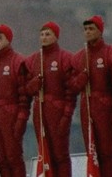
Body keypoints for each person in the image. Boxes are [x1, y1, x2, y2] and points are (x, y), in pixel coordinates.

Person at [22, 21, 78, 177]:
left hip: (57, 110)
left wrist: (66, 115)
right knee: (44, 150)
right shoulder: (33, 60)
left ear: (56, 36)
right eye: (42, 34)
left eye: (48, 34)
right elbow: (26, 89)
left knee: (60, 153)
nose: (44, 37)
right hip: (40, 110)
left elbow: (70, 91)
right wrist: (33, 85)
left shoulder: (65, 58)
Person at [71, 16, 112, 177]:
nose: (88, 32)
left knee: (106, 151)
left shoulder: (111, 53)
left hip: (104, 107)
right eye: (85, 29)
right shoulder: (79, 57)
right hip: (87, 107)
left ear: (100, 31)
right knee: (91, 150)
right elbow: (72, 86)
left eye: (91, 29)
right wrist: (81, 80)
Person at [0, 24, 28, 177]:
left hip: (11, 114)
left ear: (8, 40)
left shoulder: (17, 62)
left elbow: (24, 95)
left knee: (13, 157)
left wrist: (21, 119)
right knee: (1, 159)